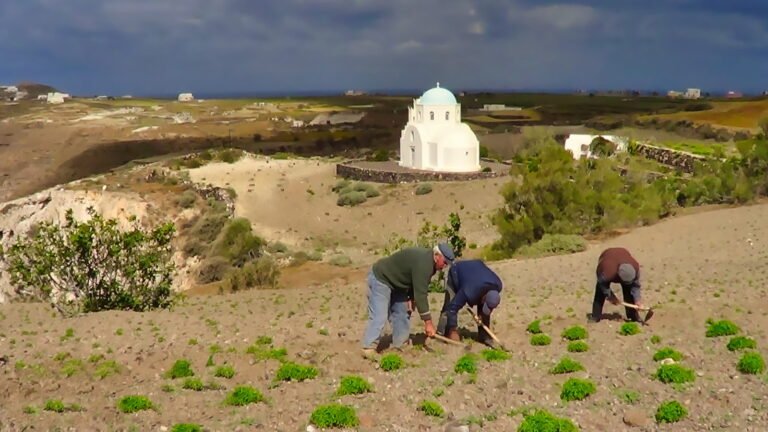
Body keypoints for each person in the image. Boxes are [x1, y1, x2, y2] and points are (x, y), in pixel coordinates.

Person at [360, 242, 455, 359]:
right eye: (445, 262)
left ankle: (400, 344)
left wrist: (411, 297)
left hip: (398, 284)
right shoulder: (424, 264)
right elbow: (421, 295)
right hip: (382, 279)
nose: (445, 266)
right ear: (437, 256)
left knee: (402, 312)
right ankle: (368, 347)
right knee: (380, 315)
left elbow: (414, 280)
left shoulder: (431, 264)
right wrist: (428, 323)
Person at [437, 259, 502, 348]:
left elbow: (486, 306)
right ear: (484, 298)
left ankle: (484, 335)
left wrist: (482, 316)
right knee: (450, 304)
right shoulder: (468, 291)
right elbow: (452, 309)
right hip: (457, 271)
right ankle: (442, 332)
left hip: (476, 272)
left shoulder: (498, 285)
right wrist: (453, 330)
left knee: (484, 310)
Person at [591, 247, 643, 322]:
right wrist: (610, 297)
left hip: (623, 253)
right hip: (607, 255)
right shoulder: (607, 271)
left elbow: (635, 286)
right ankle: (595, 316)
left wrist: (637, 300)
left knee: (628, 291)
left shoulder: (635, 268)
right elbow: (602, 284)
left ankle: (633, 317)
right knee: (600, 292)